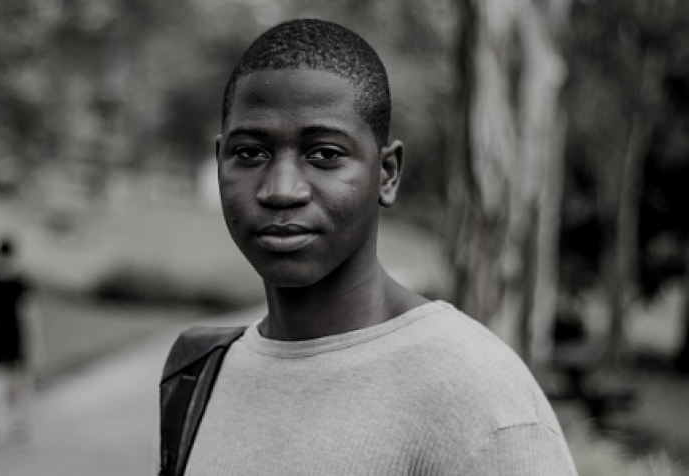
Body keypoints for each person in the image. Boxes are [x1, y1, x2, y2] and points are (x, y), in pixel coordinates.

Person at [160, 19, 577, 474]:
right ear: (220, 159)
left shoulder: (477, 398)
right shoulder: (200, 375)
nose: (281, 190)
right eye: (250, 153)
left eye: (324, 154)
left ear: (387, 173)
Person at [0, 237, 43, 445]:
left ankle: (19, 423)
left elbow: (30, 314)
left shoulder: (21, 284)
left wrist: (36, 344)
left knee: (21, 384)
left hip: (18, 340)